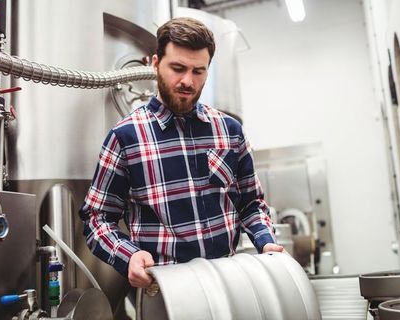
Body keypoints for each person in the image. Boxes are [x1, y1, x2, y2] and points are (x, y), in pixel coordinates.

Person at [79, 17, 283, 289]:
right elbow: (97, 219)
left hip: (227, 284)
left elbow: (250, 204)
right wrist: (129, 256)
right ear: (155, 64)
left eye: (198, 71)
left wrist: (265, 239)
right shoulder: (125, 137)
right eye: (178, 68)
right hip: (165, 291)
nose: (187, 80)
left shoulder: (229, 131)